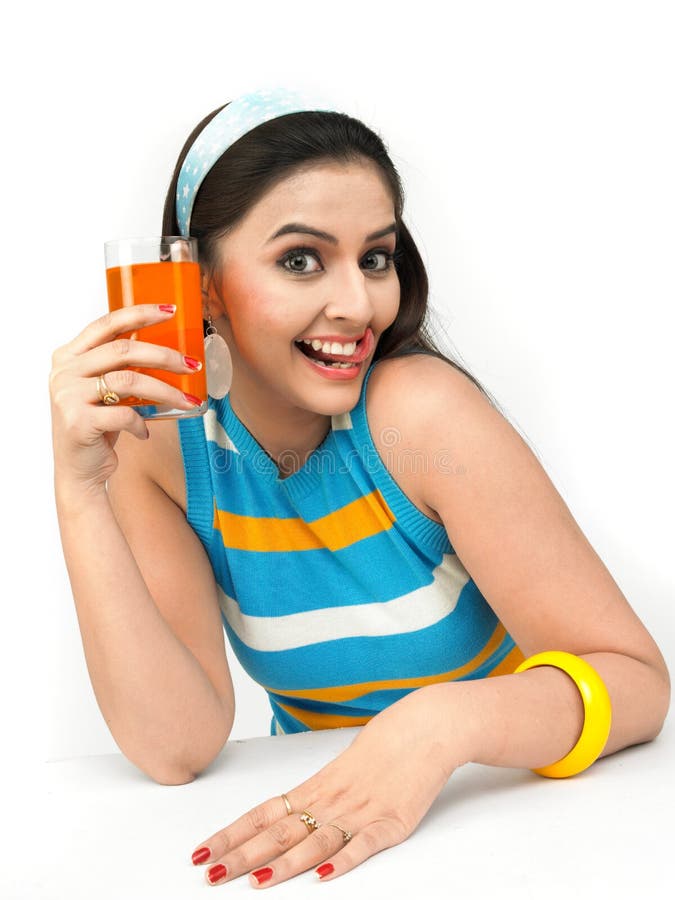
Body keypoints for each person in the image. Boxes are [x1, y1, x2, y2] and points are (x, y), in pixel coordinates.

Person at [49, 87, 670, 889]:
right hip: (337, 846)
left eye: (375, 257)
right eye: (301, 259)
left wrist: (438, 724)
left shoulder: (420, 415)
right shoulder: (169, 451)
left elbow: (637, 684)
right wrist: (78, 491)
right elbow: (175, 747)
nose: (358, 304)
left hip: (518, 822)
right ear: (200, 285)